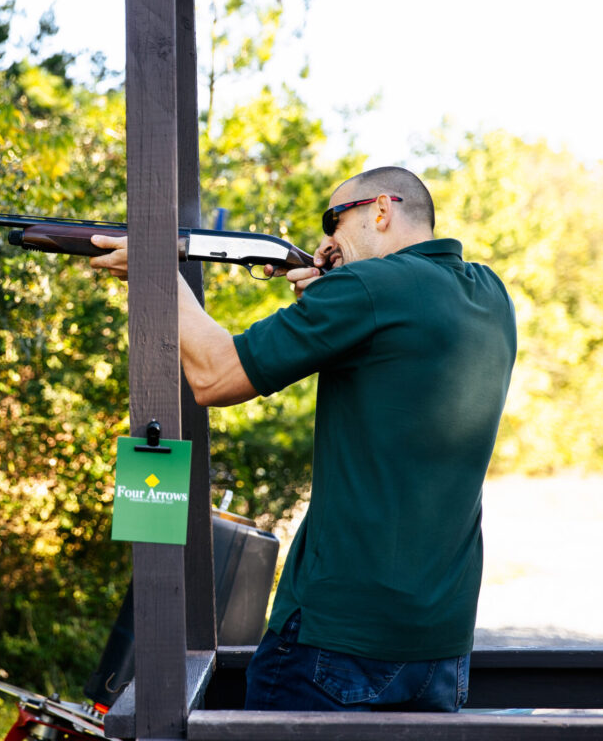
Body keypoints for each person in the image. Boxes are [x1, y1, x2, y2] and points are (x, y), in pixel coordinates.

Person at [89, 166, 517, 712]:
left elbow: (215, 376)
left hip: (335, 642)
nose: (324, 243)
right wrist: (334, 296)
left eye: (332, 220)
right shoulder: (490, 294)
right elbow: (394, 347)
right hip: (439, 645)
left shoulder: (369, 290)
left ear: (380, 211)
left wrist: (152, 272)